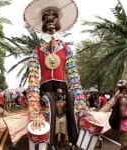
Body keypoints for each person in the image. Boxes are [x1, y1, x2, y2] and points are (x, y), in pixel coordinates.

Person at [23, 0, 86, 149]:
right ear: (42, 24)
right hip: (45, 89)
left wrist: (82, 106)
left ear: (59, 22)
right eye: (45, 17)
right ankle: (49, 143)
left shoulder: (66, 49)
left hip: (61, 88)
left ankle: (74, 141)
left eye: (54, 16)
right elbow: (32, 80)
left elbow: (74, 79)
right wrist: (35, 108)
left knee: (71, 99)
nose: (50, 18)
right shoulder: (37, 50)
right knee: (50, 102)